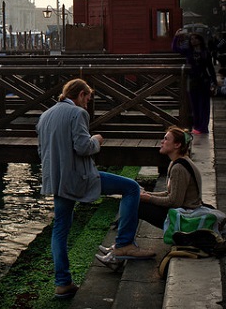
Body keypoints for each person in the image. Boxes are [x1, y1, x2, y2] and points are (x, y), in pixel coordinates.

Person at [36, 78, 155, 299]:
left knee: (60, 230)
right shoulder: (78, 114)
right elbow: (83, 147)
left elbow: (42, 151)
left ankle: (63, 283)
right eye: (87, 99)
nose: (87, 104)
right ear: (80, 94)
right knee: (131, 188)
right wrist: (97, 140)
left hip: (57, 181)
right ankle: (124, 244)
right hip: (79, 177)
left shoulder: (45, 116)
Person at [98, 126, 201, 256]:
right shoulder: (177, 163)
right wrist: (148, 194)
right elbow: (170, 193)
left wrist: (148, 198)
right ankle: (123, 245)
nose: (162, 142)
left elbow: (175, 201)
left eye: (166, 139)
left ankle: (125, 245)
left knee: (137, 206)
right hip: (182, 212)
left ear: (177, 144)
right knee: (136, 198)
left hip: (184, 217)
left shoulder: (179, 168)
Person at [172, 29, 217, 134]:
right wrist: (176, 37)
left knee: (204, 104)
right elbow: (175, 48)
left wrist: (214, 82)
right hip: (192, 81)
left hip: (204, 80)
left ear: (200, 40)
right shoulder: (189, 51)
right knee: (194, 104)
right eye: (191, 39)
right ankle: (197, 126)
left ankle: (203, 127)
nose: (192, 41)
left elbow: (210, 68)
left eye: (195, 39)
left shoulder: (206, 52)